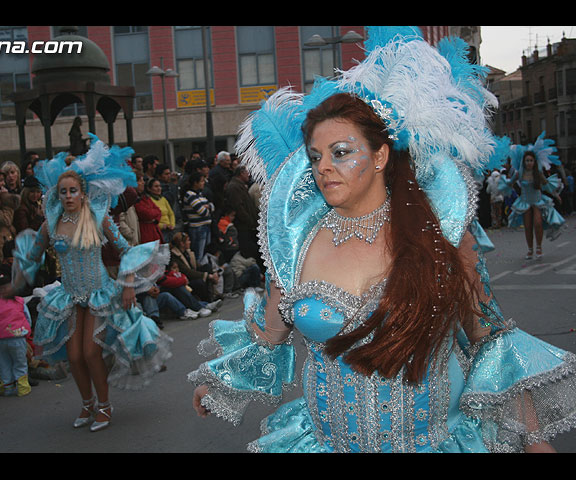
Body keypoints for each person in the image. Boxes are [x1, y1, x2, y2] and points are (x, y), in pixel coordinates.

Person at [189, 27, 576, 453]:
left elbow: (490, 339)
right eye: (316, 156)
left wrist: (534, 440)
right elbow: (270, 334)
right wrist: (220, 383)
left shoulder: (440, 235)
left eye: (340, 152)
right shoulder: (295, 243)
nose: (323, 167)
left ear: (379, 156)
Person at [11, 134, 172, 432]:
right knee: (74, 357)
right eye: (63, 192)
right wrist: (16, 278)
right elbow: (33, 255)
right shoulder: (51, 223)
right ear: (57, 194)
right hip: (70, 296)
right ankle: (87, 404)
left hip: (99, 294)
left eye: (73, 191)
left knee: (90, 352)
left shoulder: (99, 219)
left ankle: (105, 406)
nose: (68, 196)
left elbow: (126, 250)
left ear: (83, 193)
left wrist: (127, 285)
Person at [499, 133, 565, 260]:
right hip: (525, 202)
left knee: (538, 223)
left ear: (535, 162)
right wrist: (501, 187)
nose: (529, 163)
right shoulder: (519, 173)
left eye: (531, 160)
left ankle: (539, 247)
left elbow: (547, 186)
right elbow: (509, 183)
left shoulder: (538, 173)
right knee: (528, 226)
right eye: (527, 160)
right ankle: (530, 249)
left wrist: (556, 195)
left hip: (537, 201)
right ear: (523, 162)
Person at [0, 271, 32, 397]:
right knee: (20, 362)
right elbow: (27, 318)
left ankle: (7, 388)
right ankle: (22, 387)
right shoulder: (19, 301)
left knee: (3, 363)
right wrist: (26, 331)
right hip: (17, 337)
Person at [224, 165, 260, 263]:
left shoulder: (239, 185)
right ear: (241, 173)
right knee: (248, 249)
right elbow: (238, 207)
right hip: (243, 225)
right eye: (247, 173)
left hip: (247, 224)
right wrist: (249, 220)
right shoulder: (234, 187)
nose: (249, 175)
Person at [169, 231, 219, 304]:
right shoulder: (175, 256)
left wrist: (213, 273)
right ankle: (207, 302)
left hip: (191, 275)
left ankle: (213, 294)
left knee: (207, 267)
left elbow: (196, 265)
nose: (190, 242)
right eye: (188, 240)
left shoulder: (187, 252)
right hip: (185, 280)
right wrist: (207, 276)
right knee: (200, 282)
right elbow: (187, 272)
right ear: (182, 243)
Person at [181, 172, 214, 261]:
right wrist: (208, 207)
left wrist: (209, 206)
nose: (204, 183)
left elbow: (212, 206)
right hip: (198, 227)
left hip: (205, 226)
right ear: (195, 183)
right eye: (202, 181)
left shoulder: (199, 194)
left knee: (204, 252)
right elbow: (202, 211)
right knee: (198, 254)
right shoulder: (190, 195)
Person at [135, 175, 163, 245]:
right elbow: (147, 214)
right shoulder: (135, 199)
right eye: (140, 181)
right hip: (145, 232)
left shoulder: (145, 197)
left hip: (154, 231)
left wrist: (155, 218)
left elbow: (159, 211)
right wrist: (154, 214)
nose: (143, 183)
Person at [147, 177, 175, 243]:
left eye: (160, 186)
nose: (159, 188)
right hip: (159, 230)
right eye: (156, 186)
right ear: (149, 189)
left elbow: (171, 213)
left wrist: (172, 224)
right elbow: (151, 219)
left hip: (169, 229)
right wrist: (162, 226)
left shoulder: (163, 199)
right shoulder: (149, 200)